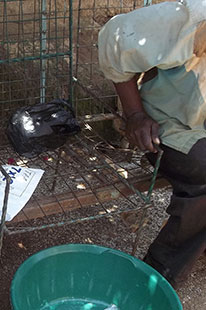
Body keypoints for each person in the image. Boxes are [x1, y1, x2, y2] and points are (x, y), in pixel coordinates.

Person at [98, 0, 206, 288]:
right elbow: (115, 37)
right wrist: (134, 114)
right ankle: (157, 278)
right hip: (171, 124)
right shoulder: (191, 16)